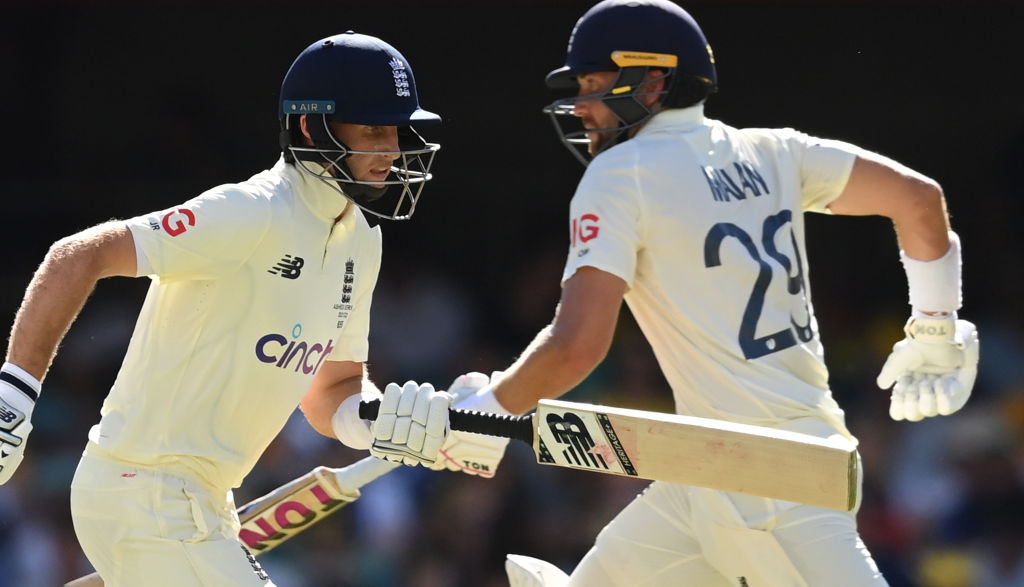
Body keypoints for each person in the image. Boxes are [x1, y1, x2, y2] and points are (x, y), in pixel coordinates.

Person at [366, 1, 981, 585]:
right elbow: (920, 200)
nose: (581, 107)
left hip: (770, 484)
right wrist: (936, 326)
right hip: (713, 467)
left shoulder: (620, 175)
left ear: (653, 84)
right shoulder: (773, 151)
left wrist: (493, 406)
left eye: (592, 85)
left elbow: (578, 345)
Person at [0, 31, 459, 586]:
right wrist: (12, 403)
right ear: (312, 126)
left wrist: (384, 421)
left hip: (204, 505)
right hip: (142, 490)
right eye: (374, 131)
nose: (392, 149)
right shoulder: (249, 212)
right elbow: (77, 255)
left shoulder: (363, 240)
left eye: (397, 131)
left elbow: (332, 392)